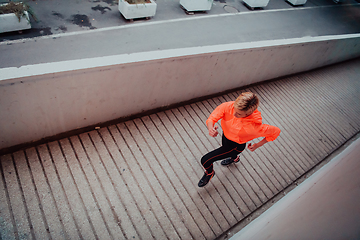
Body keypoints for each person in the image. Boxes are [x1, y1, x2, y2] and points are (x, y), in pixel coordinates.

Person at [198, 91, 281, 187]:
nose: (234, 114)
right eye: (234, 110)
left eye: (239, 114)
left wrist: (258, 145)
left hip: (236, 146)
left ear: (248, 113)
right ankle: (234, 158)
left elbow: (276, 131)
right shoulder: (228, 106)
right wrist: (210, 128)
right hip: (226, 137)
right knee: (225, 146)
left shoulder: (254, 127)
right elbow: (212, 118)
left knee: (205, 160)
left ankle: (210, 173)